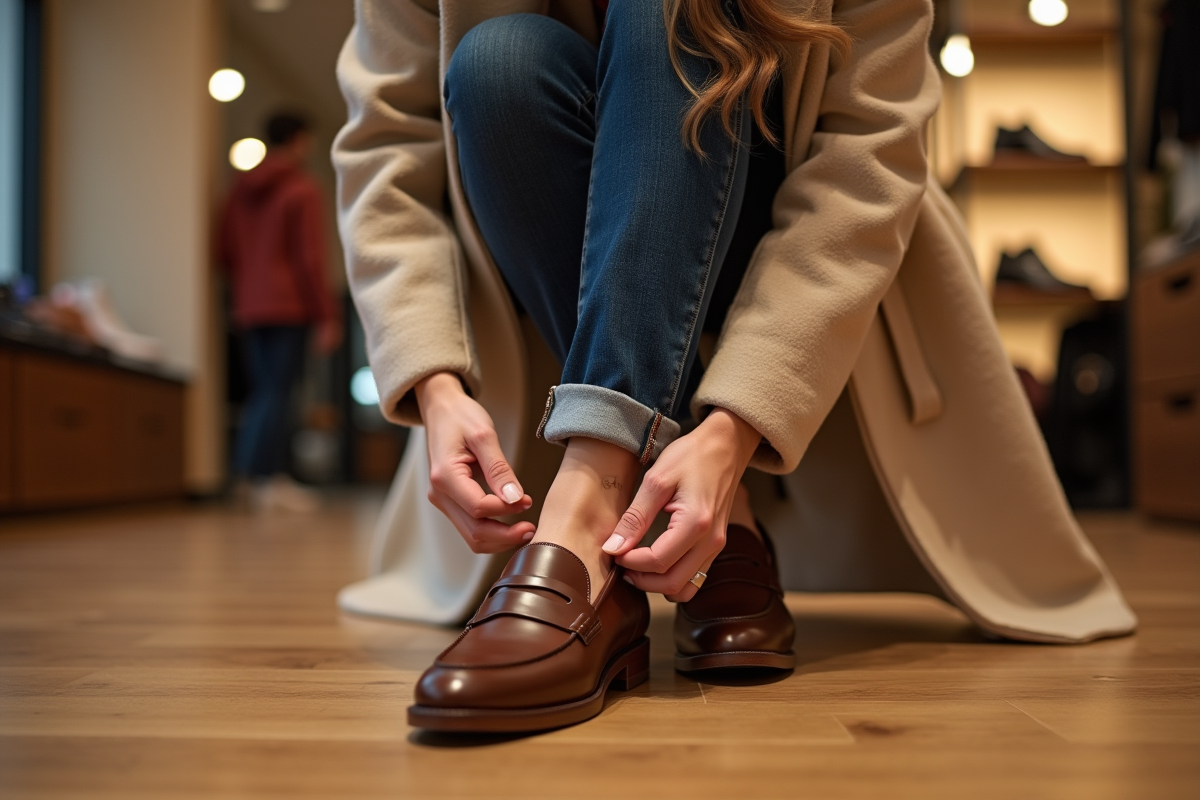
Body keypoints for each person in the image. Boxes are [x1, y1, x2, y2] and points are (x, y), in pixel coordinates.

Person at [333, 0, 1136, 734]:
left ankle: (583, 516)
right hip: (559, 248)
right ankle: (715, 514)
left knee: (678, 12)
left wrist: (736, 428)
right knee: (499, 64)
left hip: (774, 225)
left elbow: (868, 157)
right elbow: (387, 147)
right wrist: (436, 385)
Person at [220, 112, 342, 512]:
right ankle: (267, 478)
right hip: (289, 306)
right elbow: (309, 259)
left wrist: (245, 290)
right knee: (279, 392)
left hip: (249, 305)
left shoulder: (239, 190)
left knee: (262, 392)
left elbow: (223, 250)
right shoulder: (302, 189)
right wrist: (326, 315)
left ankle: (249, 475)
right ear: (299, 140)